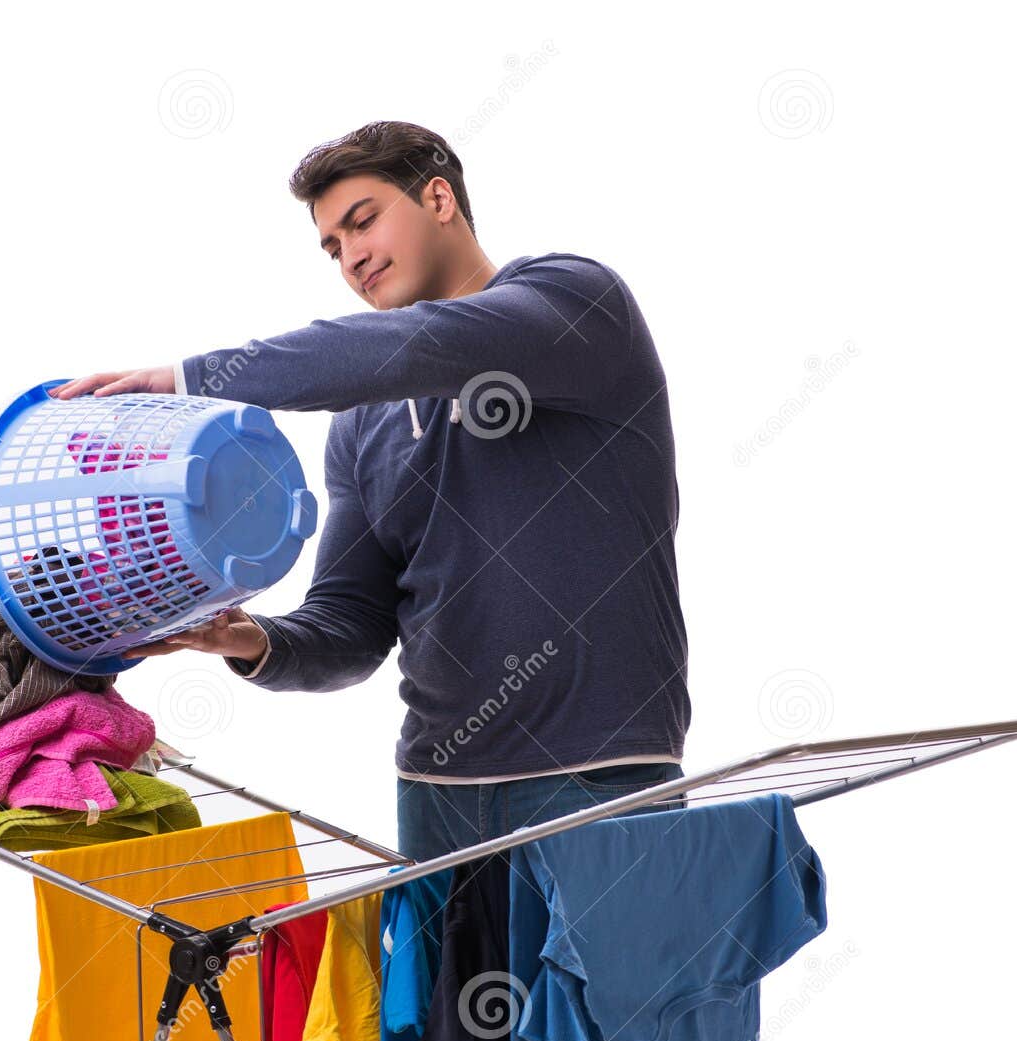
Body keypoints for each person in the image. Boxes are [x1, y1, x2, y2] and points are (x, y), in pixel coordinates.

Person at [49, 120, 689, 858]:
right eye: (332, 246)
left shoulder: (575, 302)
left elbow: (414, 345)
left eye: (363, 221)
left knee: (617, 977)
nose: (351, 257)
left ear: (439, 198)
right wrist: (253, 640)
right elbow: (350, 625)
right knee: (451, 983)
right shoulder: (362, 427)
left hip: (604, 774)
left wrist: (191, 379)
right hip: (437, 792)